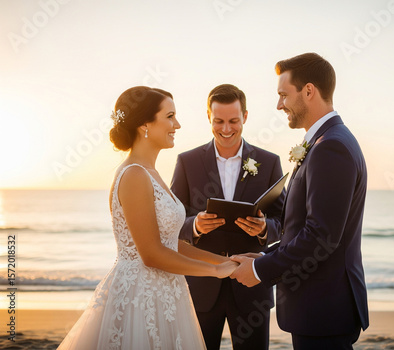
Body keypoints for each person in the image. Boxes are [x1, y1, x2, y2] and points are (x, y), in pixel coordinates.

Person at [58, 86, 238, 350]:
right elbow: (151, 254)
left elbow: (169, 243)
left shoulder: (151, 173)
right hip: (140, 296)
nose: (177, 124)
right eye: (170, 116)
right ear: (145, 123)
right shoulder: (134, 175)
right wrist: (213, 271)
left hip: (167, 292)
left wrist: (225, 261)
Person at [230, 53, 369, 350]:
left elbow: (321, 236)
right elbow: (306, 228)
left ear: (309, 91)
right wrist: (266, 256)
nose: (279, 105)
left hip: (323, 308)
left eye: (283, 95)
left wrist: (259, 272)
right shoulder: (327, 141)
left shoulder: (331, 147)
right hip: (321, 308)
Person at [170, 84, 285, 350]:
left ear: (245, 116)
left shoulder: (269, 162)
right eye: (218, 121)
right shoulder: (187, 162)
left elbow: (286, 222)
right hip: (200, 285)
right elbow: (171, 222)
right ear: (208, 117)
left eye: (233, 121)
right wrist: (194, 226)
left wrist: (265, 229)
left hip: (252, 285)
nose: (226, 129)